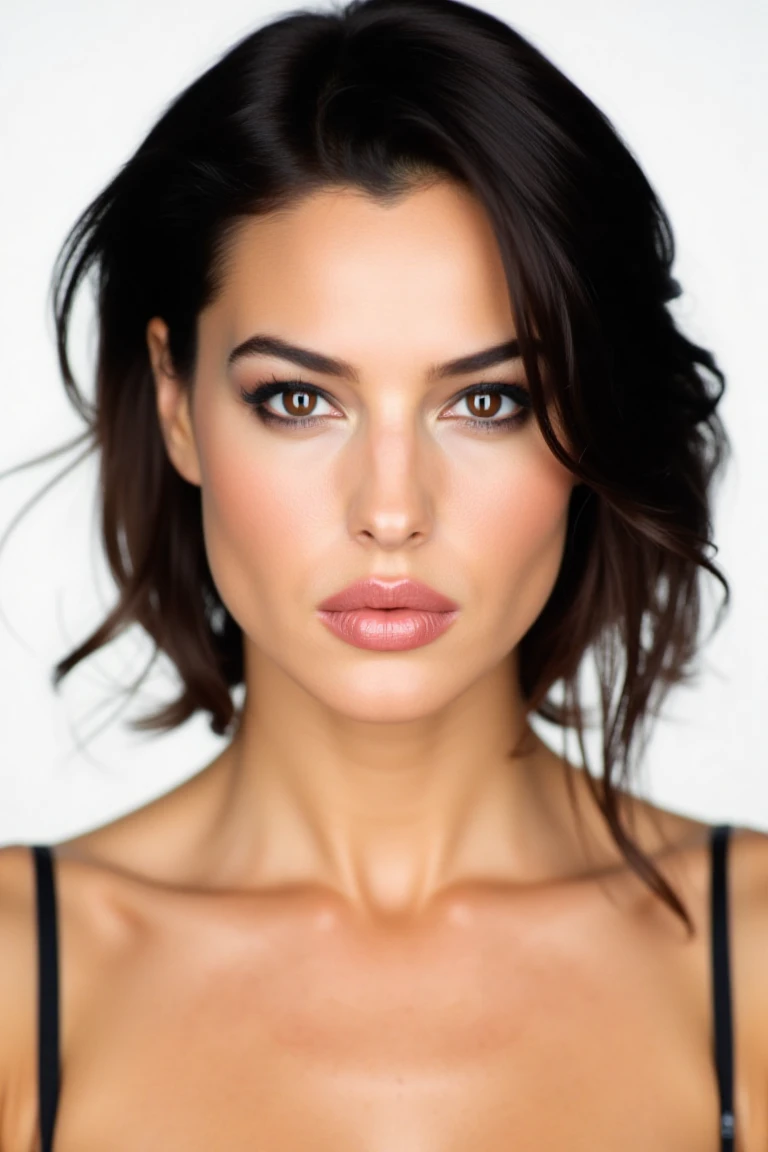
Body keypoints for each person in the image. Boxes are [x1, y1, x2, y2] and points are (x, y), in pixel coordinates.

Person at [0, 0, 765, 1148]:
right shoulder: (22, 977)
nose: (393, 511)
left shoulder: (748, 958)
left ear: (587, 423)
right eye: (300, 400)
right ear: (176, 404)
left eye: (488, 401)